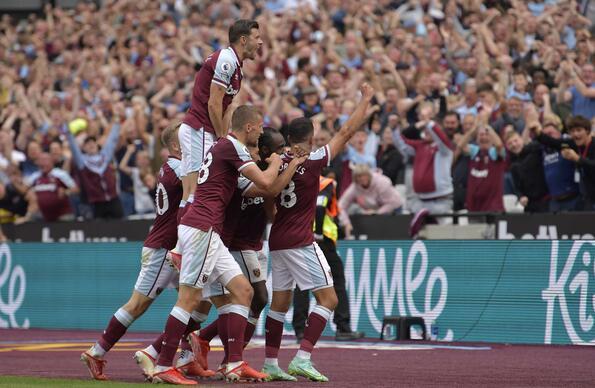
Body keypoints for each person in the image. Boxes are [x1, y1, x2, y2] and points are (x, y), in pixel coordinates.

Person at [151, 106, 281, 384]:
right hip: (202, 228)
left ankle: (233, 363)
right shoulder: (232, 147)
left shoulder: (223, 146)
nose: (261, 132)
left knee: (244, 291)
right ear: (249, 127)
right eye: (259, 126)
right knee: (190, 299)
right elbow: (268, 183)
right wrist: (279, 162)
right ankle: (162, 364)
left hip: (209, 230)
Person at [80, 123, 213, 381]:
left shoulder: (170, 167)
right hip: (164, 249)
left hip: (171, 245)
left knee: (200, 299)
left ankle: (180, 356)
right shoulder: (178, 168)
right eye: (187, 140)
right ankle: (97, 352)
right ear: (176, 146)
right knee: (138, 305)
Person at [263, 83, 374, 383]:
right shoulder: (311, 161)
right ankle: (302, 358)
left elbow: (268, 200)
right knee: (329, 299)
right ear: (310, 140)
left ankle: (271, 363)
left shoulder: (275, 162)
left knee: (280, 304)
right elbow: (347, 132)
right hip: (300, 240)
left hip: (277, 239)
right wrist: (365, 99)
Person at [195, 128, 307, 378]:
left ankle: (216, 349)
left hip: (255, 242)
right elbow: (269, 190)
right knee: (254, 298)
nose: (283, 153)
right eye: (279, 149)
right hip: (236, 243)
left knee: (242, 303)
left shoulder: (265, 168)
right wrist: (288, 165)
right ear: (265, 151)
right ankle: (226, 356)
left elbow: (271, 208)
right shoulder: (246, 170)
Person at [177, 19, 262, 223]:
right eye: (257, 37)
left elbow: (226, 107)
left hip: (198, 129)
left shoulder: (237, 67)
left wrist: (223, 136)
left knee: (191, 192)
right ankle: (182, 249)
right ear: (243, 40)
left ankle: (179, 247)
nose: (260, 43)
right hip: (200, 129)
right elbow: (213, 104)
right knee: (199, 192)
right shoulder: (227, 60)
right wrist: (222, 140)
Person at [293, 172, 365, 343]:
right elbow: (320, 205)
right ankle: (343, 327)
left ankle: (300, 330)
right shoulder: (326, 183)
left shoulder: (299, 180)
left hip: (299, 235)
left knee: (302, 284)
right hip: (321, 240)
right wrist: (318, 233)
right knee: (337, 281)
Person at [392, 102, 454, 215]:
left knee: (440, 232)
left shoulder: (445, 148)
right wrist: (394, 128)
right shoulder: (420, 145)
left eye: (429, 128)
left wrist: (428, 122)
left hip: (440, 201)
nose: (427, 130)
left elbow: (440, 137)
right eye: (425, 128)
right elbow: (402, 144)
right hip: (421, 201)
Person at [534, 115, 595, 210]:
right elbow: (554, 143)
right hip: (588, 197)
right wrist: (537, 132)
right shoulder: (573, 144)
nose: (575, 134)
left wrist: (577, 159)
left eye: (579, 130)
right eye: (572, 131)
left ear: (587, 131)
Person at [65, 123, 123, 219]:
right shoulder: (82, 161)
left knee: (121, 226)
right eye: (87, 144)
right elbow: (73, 147)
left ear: (97, 144)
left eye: (93, 142)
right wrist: (67, 129)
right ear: (83, 148)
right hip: (96, 202)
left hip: (113, 198)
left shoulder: (105, 156)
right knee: (99, 231)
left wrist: (116, 123)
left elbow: (112, 141)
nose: (91, 144)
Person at [458, 108, 506, 212]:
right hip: (473, 206)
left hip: (492, 207)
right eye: (481, 135)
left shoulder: (493, 152)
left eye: (486, 135)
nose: (484, 137)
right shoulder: (475, 151)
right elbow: (460, 146)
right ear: (477, 139)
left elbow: (499, 145)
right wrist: (473, 129)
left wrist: (487, 127)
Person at [338, 164, 403, 239]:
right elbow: (341, 205)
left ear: (369, 175)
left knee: (391, 234)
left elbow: (392, 203)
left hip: (394, 208)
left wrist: (377, 212)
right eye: (359, 176)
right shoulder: (354, 187)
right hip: (373, 212)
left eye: (364, 175)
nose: (362, 178)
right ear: (355, 178)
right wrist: (346, 223)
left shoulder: (382, 182)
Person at [25, 152, 79, 222]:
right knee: (31, 219)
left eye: (44, 160)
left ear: (51, 162)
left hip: (62, 214)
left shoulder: (60, 174)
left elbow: (76, 189)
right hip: (43, 214)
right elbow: (24, 190)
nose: (42, 163)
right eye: (40, 161)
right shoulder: (35, 176)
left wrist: (66, 192)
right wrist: (29, 193)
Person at [505, 131, 549, 213]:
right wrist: (521, 196)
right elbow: (517, 187)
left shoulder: (534, 150)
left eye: (515, 141)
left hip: (546, 200)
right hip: (529, 204)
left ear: (521, 140)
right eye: (510, 143)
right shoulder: (513, 165)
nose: (514, 145)